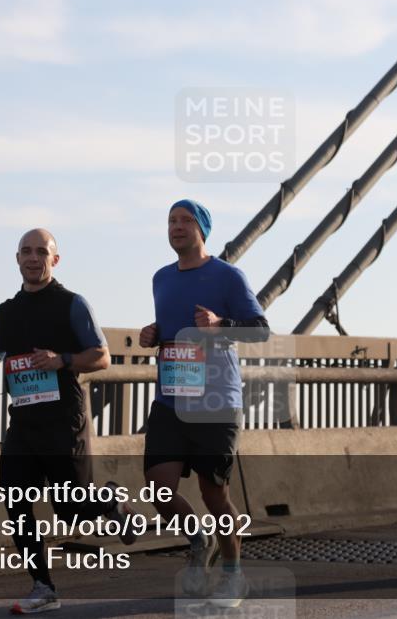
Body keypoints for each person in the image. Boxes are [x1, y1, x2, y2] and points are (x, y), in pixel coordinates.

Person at [0, 228, 135, 615]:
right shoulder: (4, 312)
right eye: (26, 251)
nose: (33, 257)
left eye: (41, 252)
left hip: (63, 420)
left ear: (54, 260)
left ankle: (112, 502)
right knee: (15, 500)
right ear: (17, 258)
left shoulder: (72, 304)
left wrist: (62, 359)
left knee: (71, 510)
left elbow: (102, 356)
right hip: (24, 422)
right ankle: (43, 586)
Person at [139, 200, 270, 608]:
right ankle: (200, 535)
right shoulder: (161, 278)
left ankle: (232, 574)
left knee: (215, 493)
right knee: (159, 490)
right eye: (171, 221)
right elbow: (172, 327)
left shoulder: (228, 276)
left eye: (185, 221)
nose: (176, 227)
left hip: (215, 400)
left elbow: (260, 332)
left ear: (203, 230)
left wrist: (220, 325)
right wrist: (153, 333)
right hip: (170, 397)